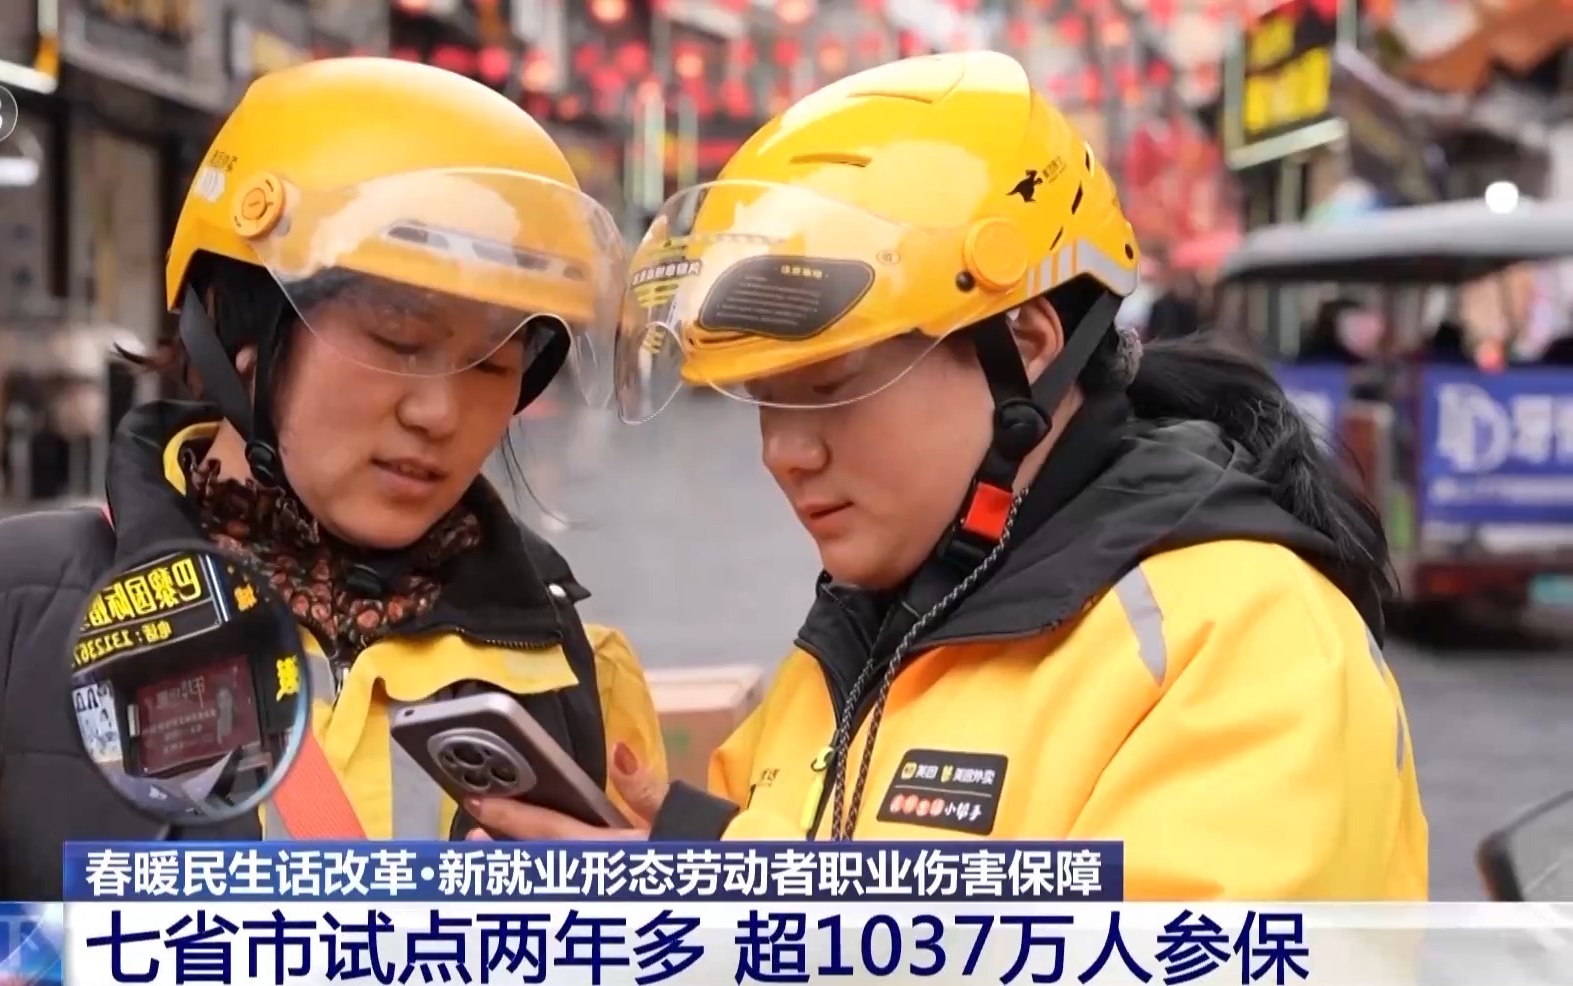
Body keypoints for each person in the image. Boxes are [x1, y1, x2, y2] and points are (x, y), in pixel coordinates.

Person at [0, 58, 666, 982]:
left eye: (495, 361)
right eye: (398, 340)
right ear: (240, 324)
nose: (440, 411)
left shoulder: (574, 669)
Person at [466, 51, 1427, 900]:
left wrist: (724, 920)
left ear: (1028, 346)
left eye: (830, 388)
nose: (784, 452)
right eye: (763, 400)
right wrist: (699, 860)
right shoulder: (865, 632)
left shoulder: (1241, 642)